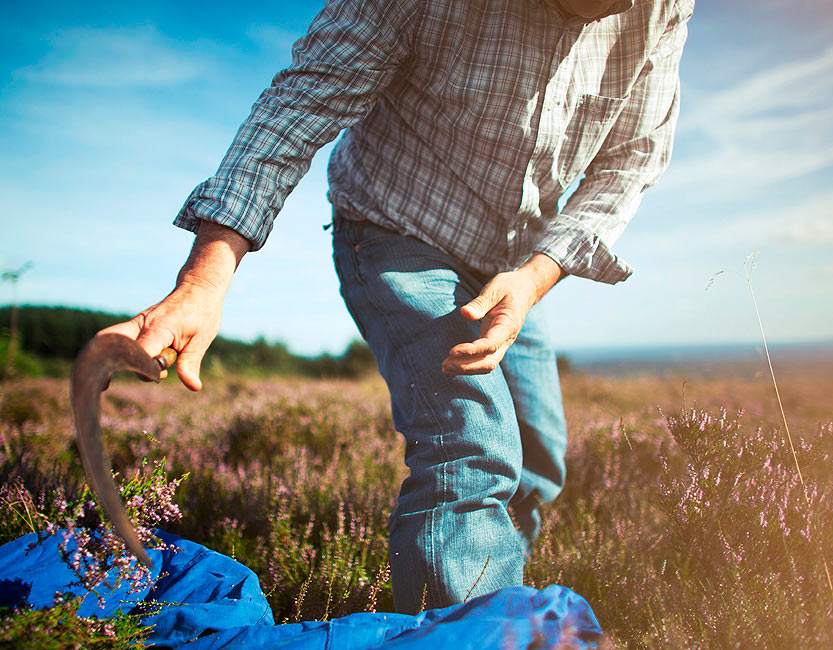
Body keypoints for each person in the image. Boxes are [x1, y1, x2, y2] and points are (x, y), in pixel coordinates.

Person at [102, 0, 692, 614]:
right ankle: (462, 634)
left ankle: (488, 612)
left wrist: (535, 278)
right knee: (470, 442)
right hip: (395, 227)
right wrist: (205, 276)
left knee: (537, 459)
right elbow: (303, 101)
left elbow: (631, 158)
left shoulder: (665, 10)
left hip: (516, 264)